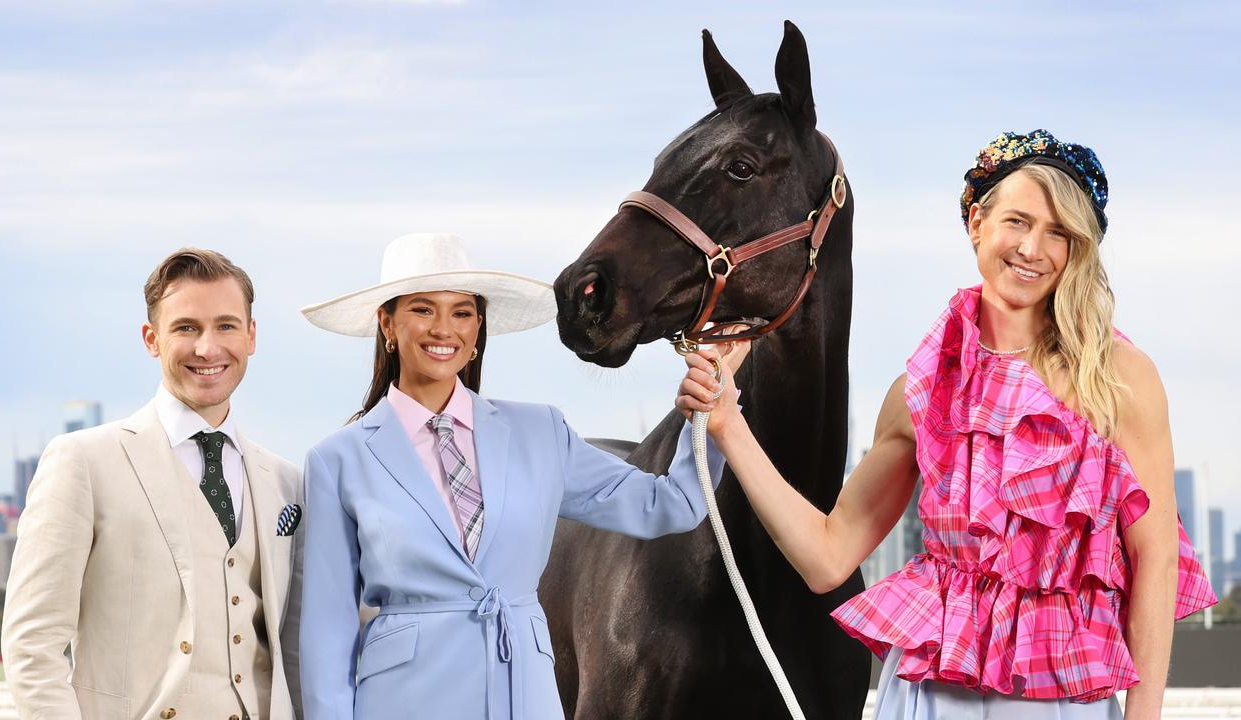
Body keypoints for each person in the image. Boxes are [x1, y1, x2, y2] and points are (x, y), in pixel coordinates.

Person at [676, 130, 1217, 719]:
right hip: (930, 698)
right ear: (977, 221)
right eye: (1018, 220)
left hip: (1061, 703)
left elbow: (1156, 563)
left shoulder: (1118, 377)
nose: (1032, 248)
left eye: (1058, 232)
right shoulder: (919, 391)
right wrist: (728, 422)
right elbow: (828, 556)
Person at [296, 232, 731, 719]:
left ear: (478, 328)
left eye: (462, 312)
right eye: (422, 310)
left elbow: (669, 504)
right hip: (403, 702)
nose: (444, 329)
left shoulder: (540, 432)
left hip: (522, 697)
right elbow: (326, 637)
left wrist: (706, 420)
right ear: (388, 324)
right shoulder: (339, 460)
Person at [3, 248, 305, 720]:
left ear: (251, 336)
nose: (208, 348)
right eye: (186, 328)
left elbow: (295, 648)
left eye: (226, 325)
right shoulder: (84, 462)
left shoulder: (285, 481)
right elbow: (32, 645)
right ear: (152, 339)